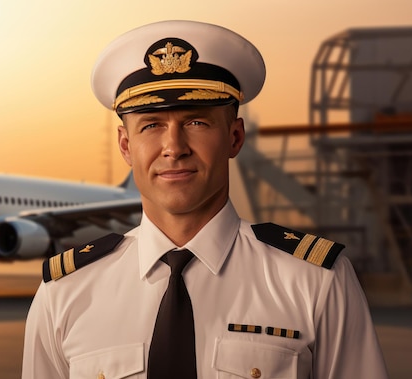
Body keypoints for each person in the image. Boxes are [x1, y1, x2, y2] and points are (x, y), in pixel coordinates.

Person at [22, 20, 388, 378]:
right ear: (125, 145)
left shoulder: (315, 281)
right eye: (151, 125)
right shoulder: (65, 292)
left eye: (197, 122)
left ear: (234, 137)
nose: (174, 148)